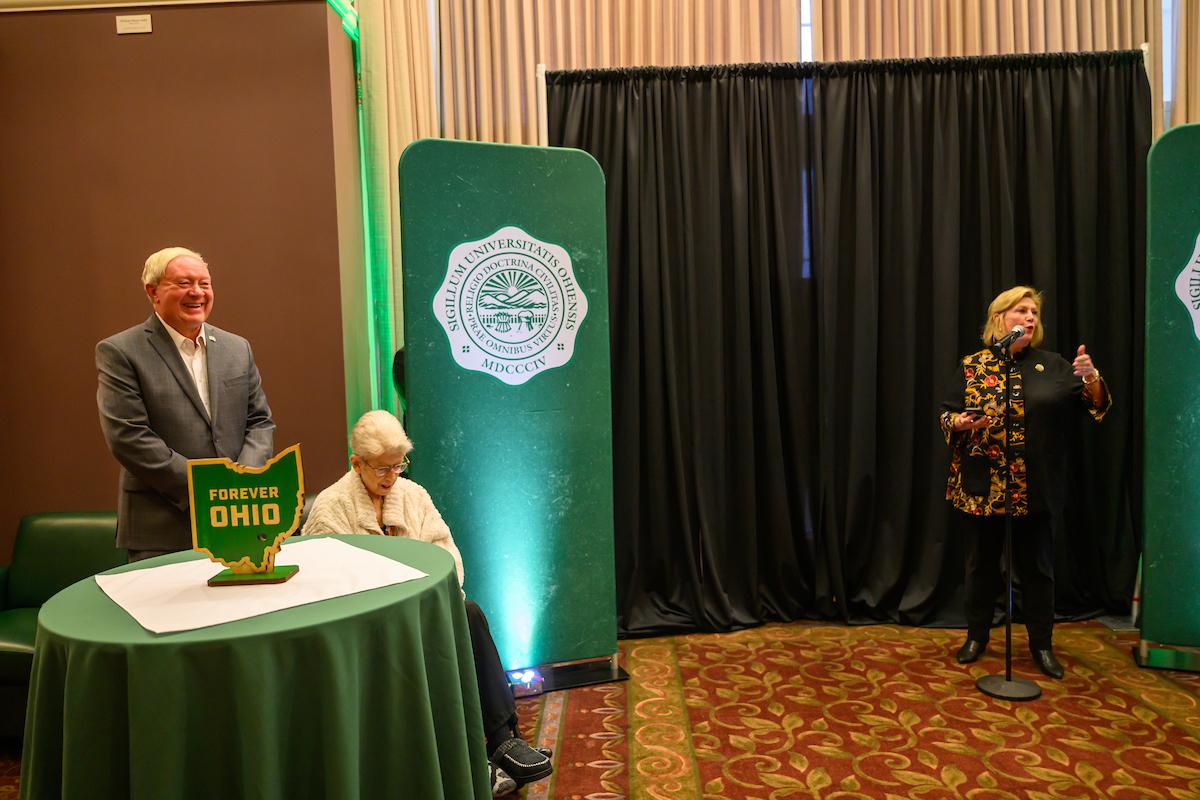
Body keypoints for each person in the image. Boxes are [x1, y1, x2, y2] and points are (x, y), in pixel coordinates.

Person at [301, 410, 552, 797]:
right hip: (368, 625)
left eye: (399, 465)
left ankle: (503, 736)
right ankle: (467, 760)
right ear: (356, 464)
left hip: (420, 609)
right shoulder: (331, 509)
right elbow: (327, 585)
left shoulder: (413, 495)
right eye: (383, 469)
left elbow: (449, 556)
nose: (392, 476)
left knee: (469, 614)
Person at [939, 286, 1110, 679]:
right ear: (1000, 318)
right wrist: (960, 423)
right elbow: (946, 415)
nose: (1031, 318)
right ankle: (977, 636)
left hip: (1036, 486)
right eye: (1021, 311)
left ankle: (1042, 645)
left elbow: (1097, 406)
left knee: (1038, 568)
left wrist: (1093, 377)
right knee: (981, 565)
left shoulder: (1053, 365)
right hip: (984, 486)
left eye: (1034, 312)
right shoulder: (973, 367)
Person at [96, 247, 275, 562]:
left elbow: (260, 422)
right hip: (162, 528)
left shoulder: (237, 348)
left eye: (204, 284)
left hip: (239, 520)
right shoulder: (120, 351)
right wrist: (209, 489)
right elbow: (128, 436)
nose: (197, 293)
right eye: (183, 283)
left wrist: (241, 485)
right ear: (153, 292)